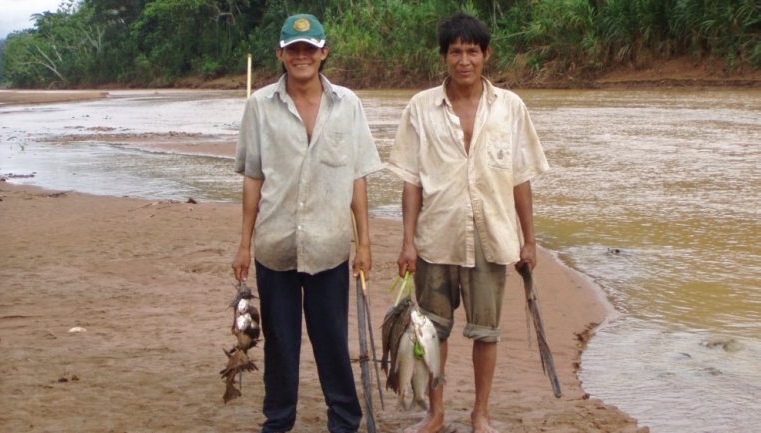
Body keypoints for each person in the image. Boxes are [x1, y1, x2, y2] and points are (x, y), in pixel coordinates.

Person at [388, 13, 550, 433]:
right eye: (456, 52)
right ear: (444, 57)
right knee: (431, 331)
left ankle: (481, 413)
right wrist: (407, 242)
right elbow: (410, 183)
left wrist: (529, 241)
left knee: (486, 331)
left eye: (472, 52)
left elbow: (520, 178)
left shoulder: (510, 107)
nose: (464, 60)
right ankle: (435, 413)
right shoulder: (420, 107)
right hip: (435, 237)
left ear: (486, 55)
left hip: (491, 236)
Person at [232, 13, 382, 433]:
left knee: (332, 342)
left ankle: (345, 421)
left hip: (330, 247)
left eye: (310, 49)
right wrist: (243, 244)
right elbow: (253, 180)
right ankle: (278, 422)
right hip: (275, 247)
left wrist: (365, 243)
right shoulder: (259, 106)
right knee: (281, 345)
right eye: (294, 50)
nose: (302, 57)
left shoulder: (348, 104)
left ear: (323, 53)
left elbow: (357, 177)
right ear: (280, 54)